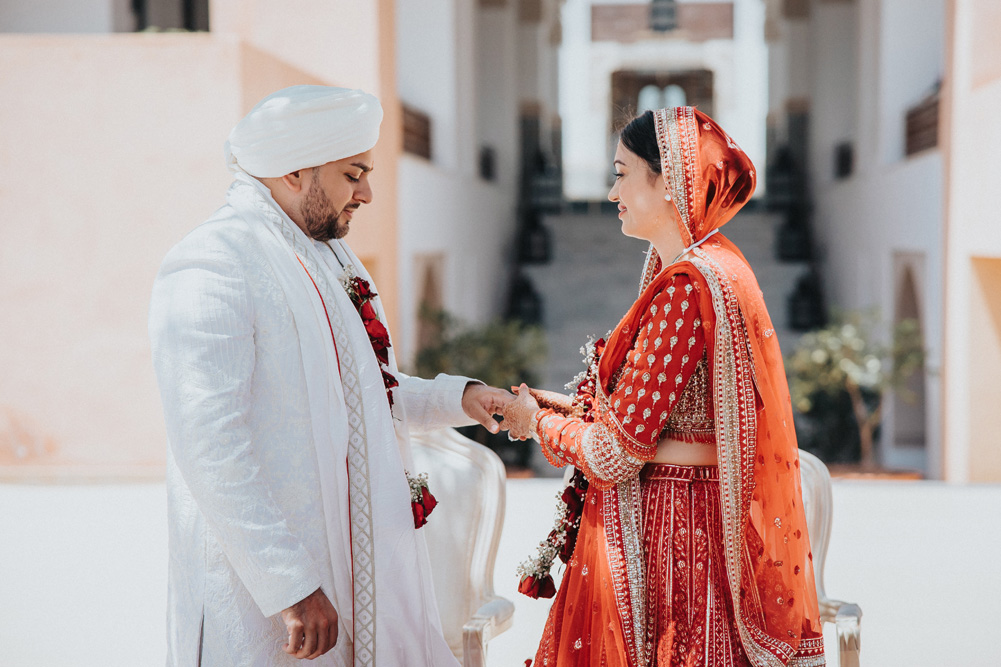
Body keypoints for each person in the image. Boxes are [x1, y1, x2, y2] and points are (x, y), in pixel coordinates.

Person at [148, 85, 513, 667]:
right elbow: (210, 445)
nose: (367, 193)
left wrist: (462, 398)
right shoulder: (215, 260)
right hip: (265, 602)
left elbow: (369, 391)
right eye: (353, 174)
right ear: (296, 171)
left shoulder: (327, 256)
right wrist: (289, 584)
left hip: (349, 575)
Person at [503, 107, 826, 666]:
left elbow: (616, 453)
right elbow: (649, 418)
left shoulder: (687, 288)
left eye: (622, 173)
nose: (611, 192)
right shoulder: (718, 267)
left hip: (672, 540)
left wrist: (536, 424)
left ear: (669, 178)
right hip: (693, 520)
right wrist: (551, 406)